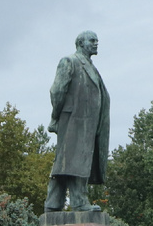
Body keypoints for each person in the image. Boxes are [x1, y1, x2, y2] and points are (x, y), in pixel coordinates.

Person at [44, 30, 109, 213]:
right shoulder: (70, 61)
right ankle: (79, 201)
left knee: (67, 162)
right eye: (92, 40)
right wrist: (56, 116)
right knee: (74, 161)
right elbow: (57, 91)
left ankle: (53, 202)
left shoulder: (92, 67)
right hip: (73, 120)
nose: (96, 43)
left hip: (88, 123)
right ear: (80, 43)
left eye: (97, 40)